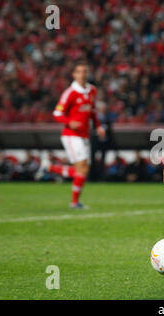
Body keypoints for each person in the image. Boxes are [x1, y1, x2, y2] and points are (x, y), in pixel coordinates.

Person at [50, 61, 105, 208]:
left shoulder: (92, 90)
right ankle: (74, 202)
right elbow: (57, 113)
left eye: (85, 71)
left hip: (85, 135)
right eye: (79, 72)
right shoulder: (70, 93)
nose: (82, 74)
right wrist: (69, 122)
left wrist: (98, 127)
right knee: (82, 168)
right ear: (74, 74)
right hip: (71, 135)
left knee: (83, 170)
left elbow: (92, 111)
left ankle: (51, 168)